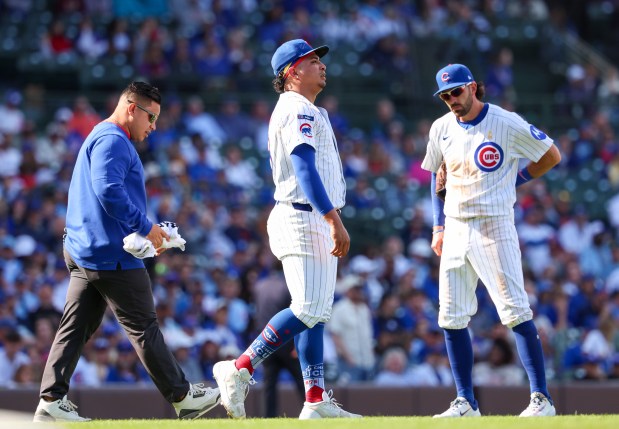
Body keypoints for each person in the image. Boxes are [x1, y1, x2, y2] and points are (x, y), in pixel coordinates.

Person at [33, 82, 220, 423]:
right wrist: (146, 228)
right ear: (132, 108)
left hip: (86, 248)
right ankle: (181, 396)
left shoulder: (102, 136)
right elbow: (108, 190)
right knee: (143, 326)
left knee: (76, 327)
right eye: (151, 117)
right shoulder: (113, 139)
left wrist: (145, 235)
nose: (153, 126)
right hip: (109, 254)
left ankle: (50, 401)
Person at [212, 39, 360, 420]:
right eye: (313, 61)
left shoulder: (310, 109)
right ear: (292, 71)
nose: (321, 65)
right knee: (308, 308)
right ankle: (240, 366)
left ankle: (314, 399)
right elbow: (304, 169)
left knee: (318, 312)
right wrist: (333, 218)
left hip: (311, 215)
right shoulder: (296, 109)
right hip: (302, 215)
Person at [421, 64, 561, 418]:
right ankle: (465, 401)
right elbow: (438, 180)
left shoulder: (504, 121)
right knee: (450, 317)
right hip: (454, 225)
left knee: (515, 311)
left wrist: (518, 178)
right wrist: (438, 227)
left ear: (472, 88)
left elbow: (551, 154)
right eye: (445, 95)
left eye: (456, 92)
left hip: (493, 224)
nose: (451, 100)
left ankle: (541, 399)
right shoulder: (441, 128)